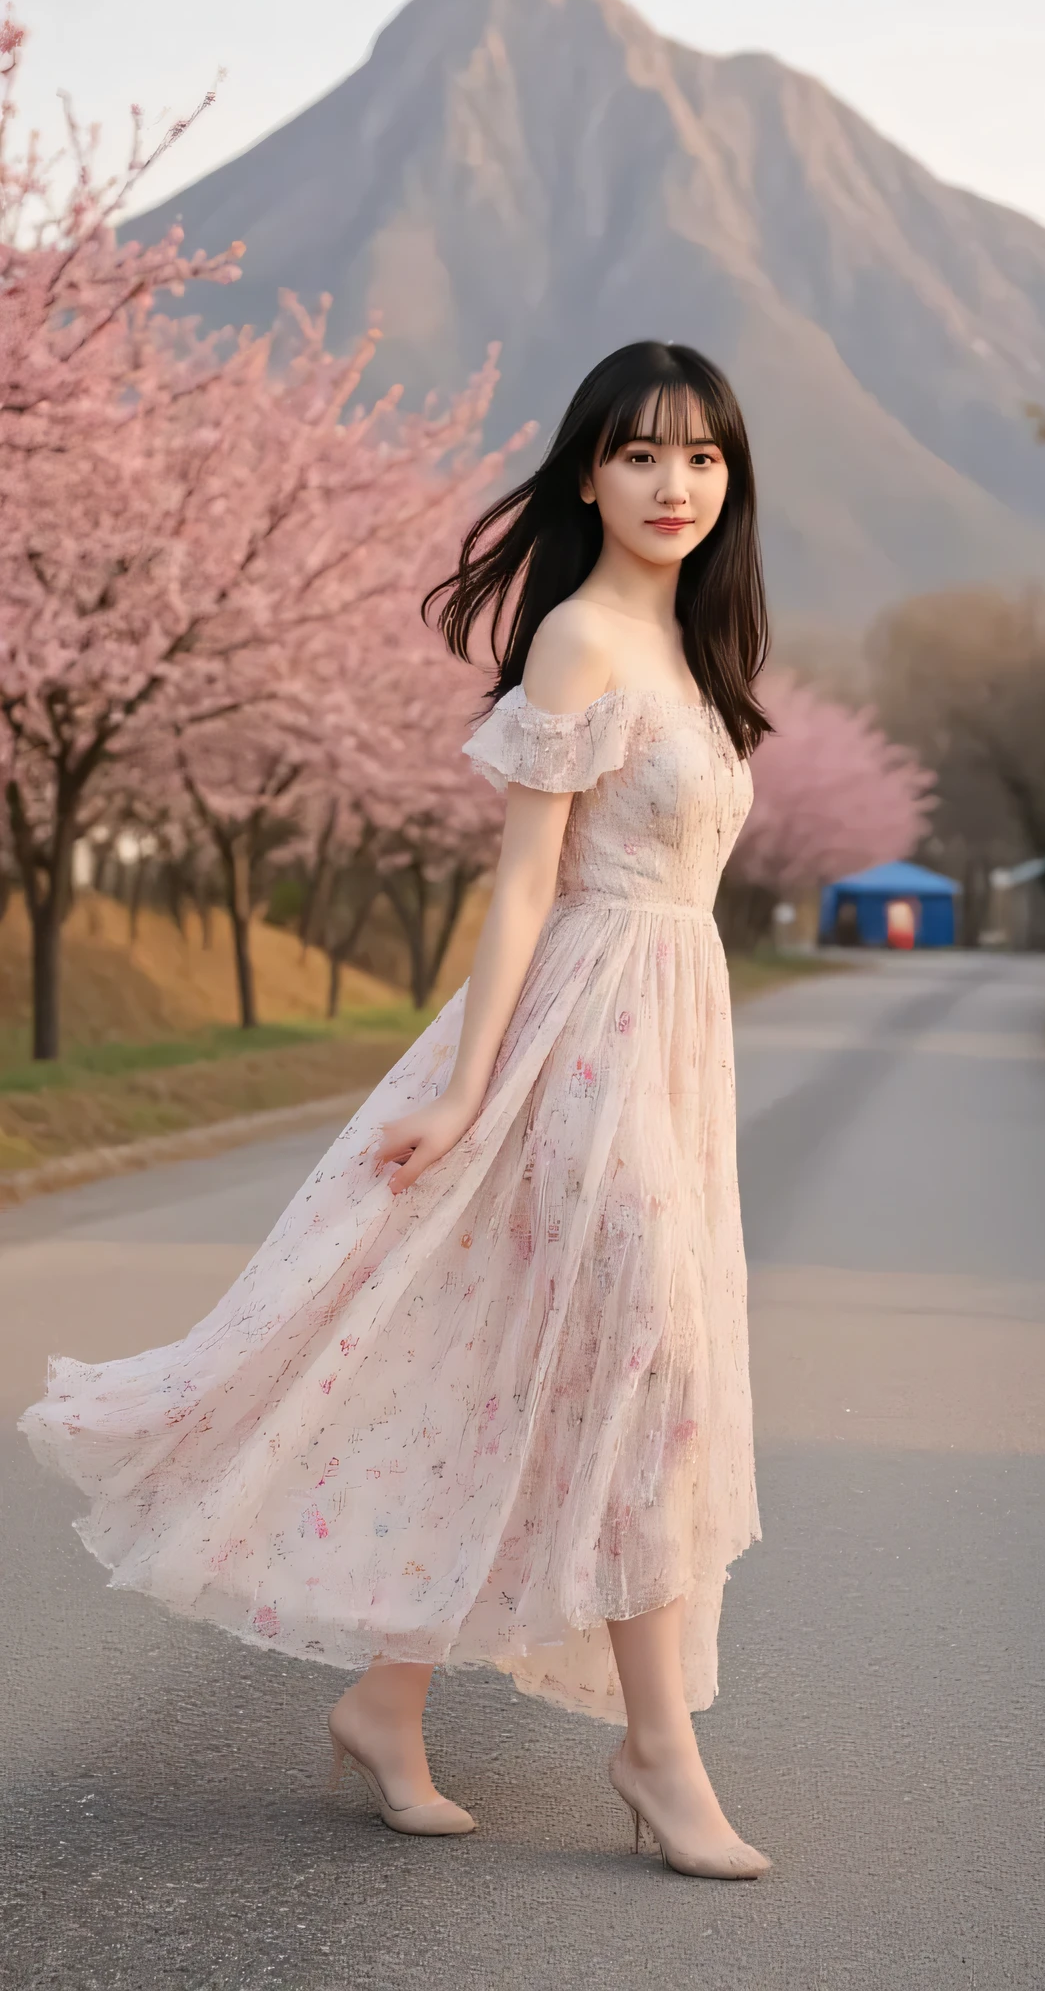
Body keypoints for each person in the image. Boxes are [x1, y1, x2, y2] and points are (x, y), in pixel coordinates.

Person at [21, 340, 771, 1881]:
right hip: (577, 1046)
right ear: (586, 473)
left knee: (525, 1368)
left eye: (701, 457)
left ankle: (387, 1696)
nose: (673, 483)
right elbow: (522, 890)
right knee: (650, 1368)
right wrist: (469, 1094)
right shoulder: (579, 644)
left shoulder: (694, 653)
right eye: (640, 455)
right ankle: (659, 1750)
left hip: (671, 1043)